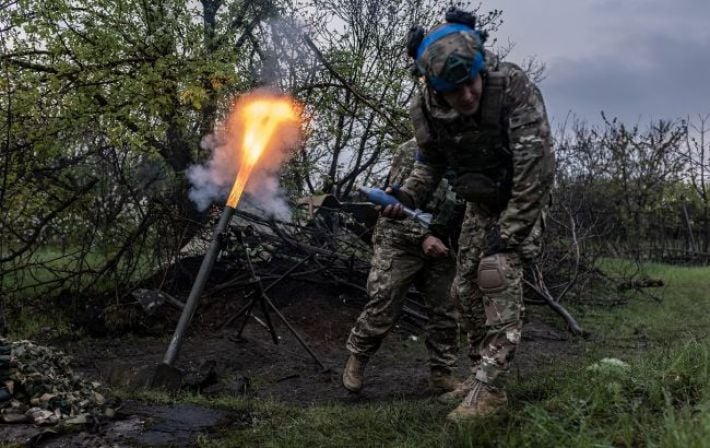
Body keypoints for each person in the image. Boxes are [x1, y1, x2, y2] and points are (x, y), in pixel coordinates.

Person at [382, 8, 555, 421]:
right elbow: (430, 164)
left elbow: (538, 167)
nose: (466, 97)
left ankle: (492, 391)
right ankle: (480, 377)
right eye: (453, 90)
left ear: (481, 67)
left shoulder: (512, 86)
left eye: (470, 83)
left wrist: (510, 232)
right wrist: (405, 196)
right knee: (464, 292)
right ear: (434, 87)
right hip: (480, 203)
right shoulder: (425, 109)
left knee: (494, 273)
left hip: (521, 197)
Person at [343, 139, 465, 396]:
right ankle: (357, 359)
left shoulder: (471, 153)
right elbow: (395, 203)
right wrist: (422, 237)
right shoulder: (413, 150)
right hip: (399, 238)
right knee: (384, 301)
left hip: (441, 242)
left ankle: (442, 375)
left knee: (446, 310)